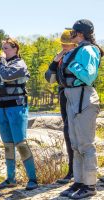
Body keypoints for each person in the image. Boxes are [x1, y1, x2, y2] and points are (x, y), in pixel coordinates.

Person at [0, 37, 38, 190]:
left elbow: (7, 75)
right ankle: (10, 179)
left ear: (15, 49)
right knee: (7, 144)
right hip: (1, 107)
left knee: (20, 142)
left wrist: (1, 62)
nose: (4, 51)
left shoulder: (19, 64)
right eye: (3, 48)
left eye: (7, 48)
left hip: (16, 107)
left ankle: (33, 179)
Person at [57, 19, 103, 199]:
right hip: (72, 96)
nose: (71, 35)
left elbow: (89, 76)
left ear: (80, 34)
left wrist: (72, 65)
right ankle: (79, 181)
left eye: (73, 33)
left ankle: (90, 185)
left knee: (86, 144)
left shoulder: (89, 50)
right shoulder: (78, 49)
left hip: (84, 97)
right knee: (75, 144)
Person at [45, 29, 77, 184]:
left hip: (76, 95)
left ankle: (79, 170)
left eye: (67, 44)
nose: (64, 46)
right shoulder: (61, 58)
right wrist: (55, 60)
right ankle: (71, 170)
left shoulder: (79, 55)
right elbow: (49, 78)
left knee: (77, 132)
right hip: (63, 94)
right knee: (67, 130)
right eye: (63, 44)